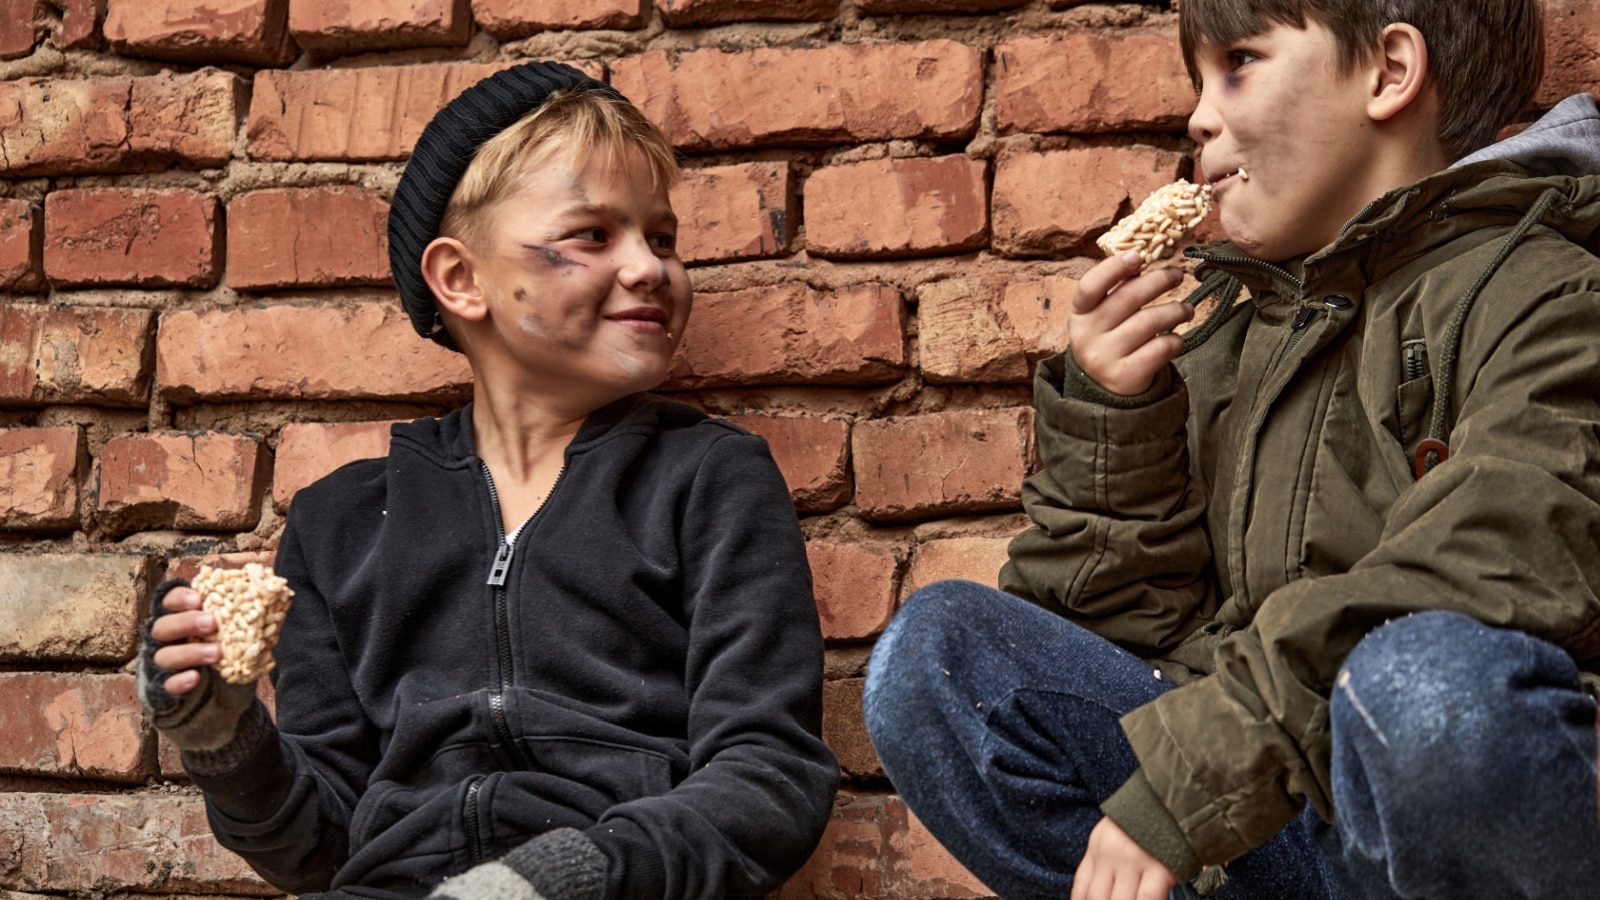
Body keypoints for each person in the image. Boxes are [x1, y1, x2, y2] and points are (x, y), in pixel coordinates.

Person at [863, 1, 1600, 898]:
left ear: (1389, 72)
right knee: (939, 655)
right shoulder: (1219, 334)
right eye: (1195, 79)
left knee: (1418, 680)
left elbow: (1488, 565)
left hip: (1430, 830)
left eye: (1238, 63)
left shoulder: (1549, 297)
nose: (1199, 117)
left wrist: (1187, 787)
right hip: (1265, 836)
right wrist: (1116, 418)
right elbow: (1134, 655)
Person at [137, 61, 839, 900]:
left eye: (662, 238)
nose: (650, 268)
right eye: (592, 235)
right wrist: (226, 741)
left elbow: (769, 775)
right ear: (460, 279)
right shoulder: (339, 524)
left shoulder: (711, 481)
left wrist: (562, 878)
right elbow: (319, 847)